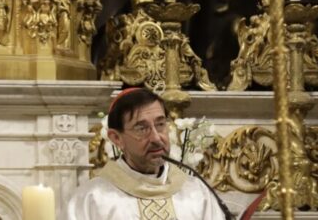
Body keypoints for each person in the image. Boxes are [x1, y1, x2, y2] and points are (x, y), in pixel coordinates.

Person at [67, 88, 226, 219]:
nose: (156, 138)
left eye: (160, 124)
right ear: (116, 138)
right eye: (142, 128)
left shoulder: (196, 192)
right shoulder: (92, 198)